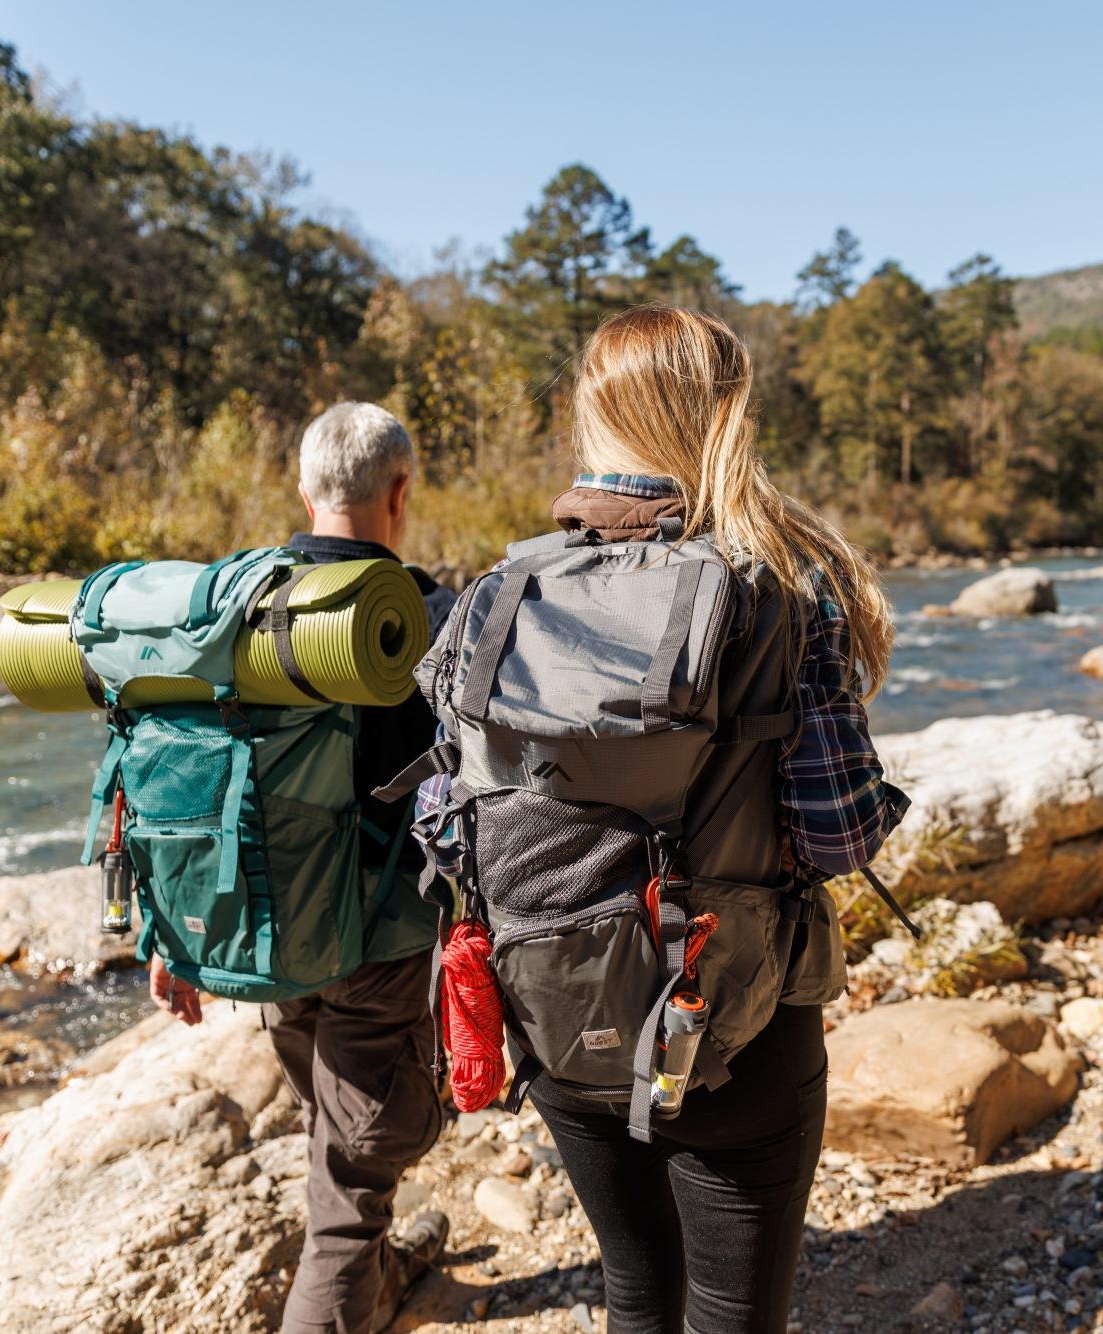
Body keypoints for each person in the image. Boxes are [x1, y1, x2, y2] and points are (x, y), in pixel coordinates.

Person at [419, 308, 908, 1333]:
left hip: (551, 1011)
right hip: (732, 1023)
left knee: (636, 1289)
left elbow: (447, 816)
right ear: (724, 412)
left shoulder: (499, 592)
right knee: (732, 1313)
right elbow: (835, 834)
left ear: (590, 414)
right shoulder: (784, 583)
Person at [149, 401, 458, 1334]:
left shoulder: (240, 611)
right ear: (400, 492)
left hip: (268, 925)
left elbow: (188, 773)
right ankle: (346, 1290)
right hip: (382, 941)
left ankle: (377, 1278)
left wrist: (175, 933)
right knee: (352, 1179)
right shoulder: (429, 616)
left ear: (303, 489)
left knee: (338, 1132)